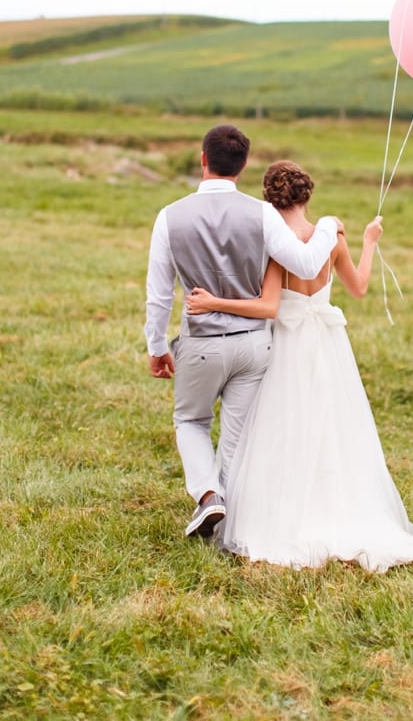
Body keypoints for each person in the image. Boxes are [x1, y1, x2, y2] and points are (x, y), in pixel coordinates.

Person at [185, 160, 413, 573]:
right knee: (331, 425)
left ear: (268, 198)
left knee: (279, 427)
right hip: (327, 342)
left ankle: (277, 512)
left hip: (284, 342)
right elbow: (358, 288)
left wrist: (213, 302)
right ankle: (336, 506)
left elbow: (266, 306)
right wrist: (370, 241)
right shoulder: (331, 235)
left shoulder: (274, 243)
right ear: (307, 196)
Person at [144, 127, 341, 539]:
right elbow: (306, 265)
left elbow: (159, 295)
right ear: (244, 165)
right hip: (254, 344)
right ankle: (223, 529)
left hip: (199, 343)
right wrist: (328, 227)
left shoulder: (169, 216)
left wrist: (157, 347)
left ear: (202, 160)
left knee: (191, 421)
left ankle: (208, 495)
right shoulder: (263, 213)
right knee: (235, 438)